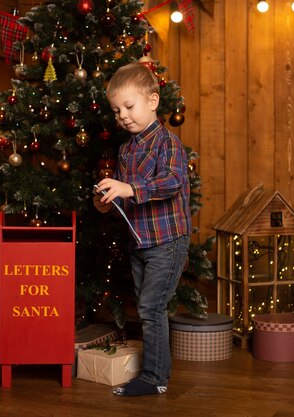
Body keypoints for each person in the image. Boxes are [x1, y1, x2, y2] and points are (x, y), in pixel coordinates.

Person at [93, 62, 191, 397]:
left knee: (151, 309)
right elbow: (125, 197)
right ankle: (157, 374)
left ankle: (154, 378)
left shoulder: (168, 143)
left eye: (129, 107)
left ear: (152, 101)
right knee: (147, 307)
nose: (122, 116)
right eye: (117, 110)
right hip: (139, 240)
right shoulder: (125, 149)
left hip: (167, 240)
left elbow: (173, 182)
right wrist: (108, 200)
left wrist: (130, 188)